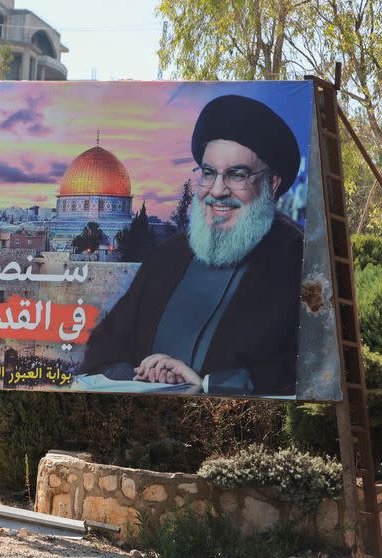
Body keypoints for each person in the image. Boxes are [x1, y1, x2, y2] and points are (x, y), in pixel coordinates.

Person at [79, 94, 304, 396]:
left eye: (237, 174)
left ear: (272, 183)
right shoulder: (166, 258)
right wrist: (145, 372)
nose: (217, 190)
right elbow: (102, 352)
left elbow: (301, 365)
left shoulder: (295, 259)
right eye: (209, 173)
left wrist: (204, 383)